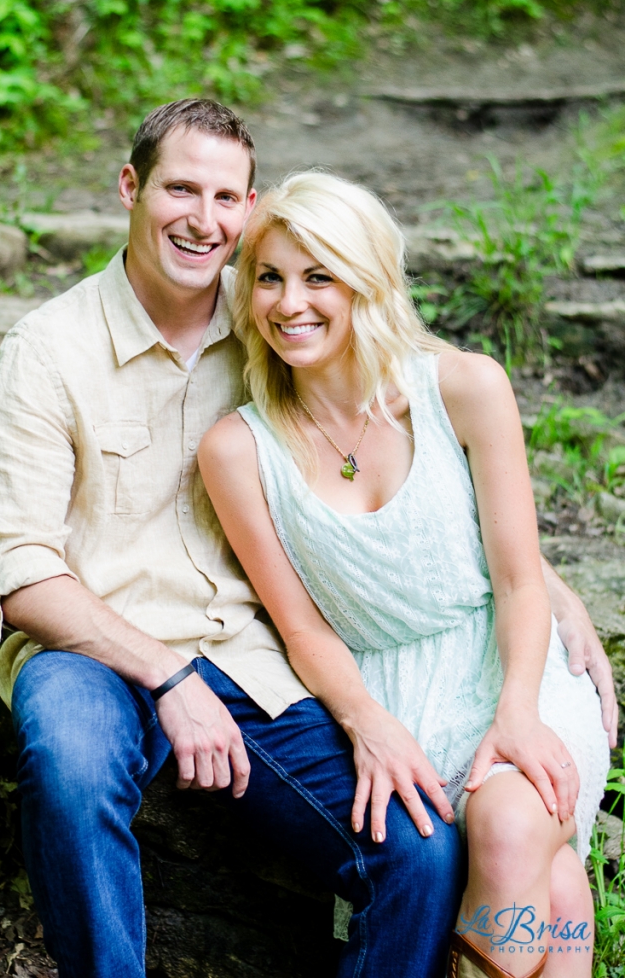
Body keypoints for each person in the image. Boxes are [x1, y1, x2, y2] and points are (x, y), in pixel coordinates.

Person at [0, 100, 615, 978]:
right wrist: (167, 675)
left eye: (224, 198)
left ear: (248, 208)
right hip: (95, 652)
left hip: (250, 660)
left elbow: (418, 444)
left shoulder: (275, 315)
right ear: (130, 187)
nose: (202, 220)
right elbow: (21, 574)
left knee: (418, 847)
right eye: (179, 190)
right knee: (72, 765)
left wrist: (541, 580)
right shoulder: (48, 350)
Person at [198, 171, 613, 978]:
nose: (290, 303)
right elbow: (302, 628)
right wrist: (365, 723)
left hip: (510, 668)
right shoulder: (238, 450)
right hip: (390, 698)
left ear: (367, 281)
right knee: (555, 886)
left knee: (510, 826)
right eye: (269, 278)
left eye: (320, 276)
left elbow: (520, 581)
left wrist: (519, 711)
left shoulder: (463, 388)